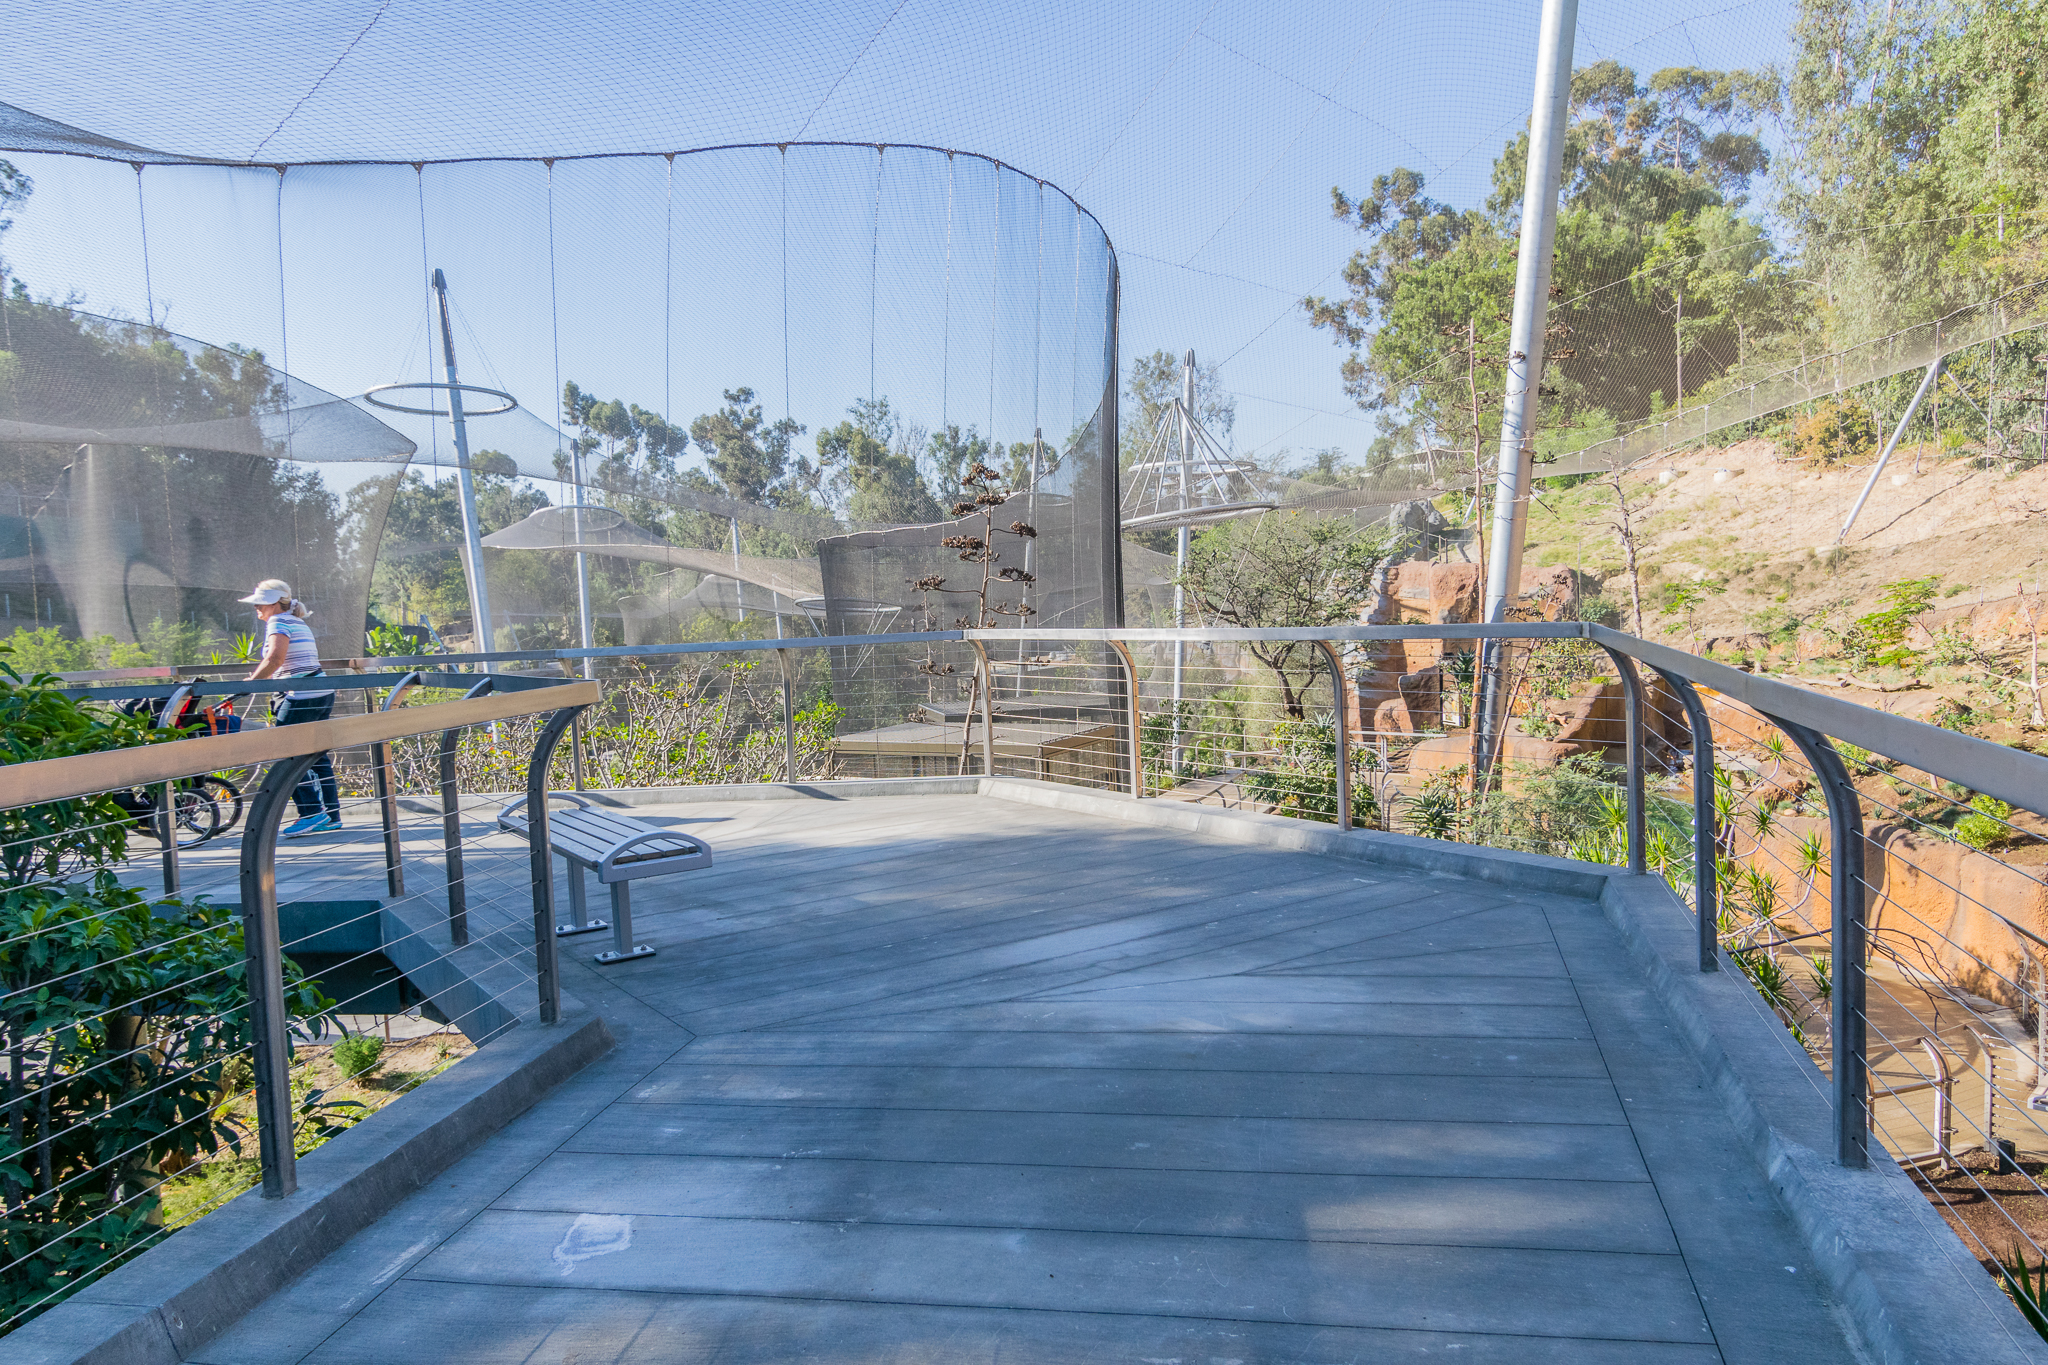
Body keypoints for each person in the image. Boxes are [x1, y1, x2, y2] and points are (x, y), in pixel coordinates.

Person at [241, 580, 342, 837]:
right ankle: (331, 814)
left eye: (260, 603)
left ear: (275, 603)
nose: (256, 608)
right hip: (321, 690)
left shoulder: (278, 622)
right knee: (316, 755)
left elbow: (275, 658)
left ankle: (311, 812)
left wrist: (253, 682)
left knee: (285, 751)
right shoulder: (297, 621)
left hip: (302, 695)